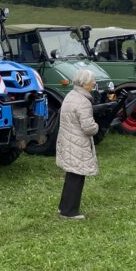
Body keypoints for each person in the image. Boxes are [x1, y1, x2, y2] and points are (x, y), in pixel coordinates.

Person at [55, 68, 100, 220]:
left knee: (71, 176)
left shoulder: (70, 95)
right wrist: (97, 126)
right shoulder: (83, 101)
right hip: (77, 143)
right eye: (92, 81)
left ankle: (63, 207)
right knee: (77, 177)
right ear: (85, 83)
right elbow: (88, 128)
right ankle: (70, 212)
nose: (94, 83)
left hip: (68, 141)